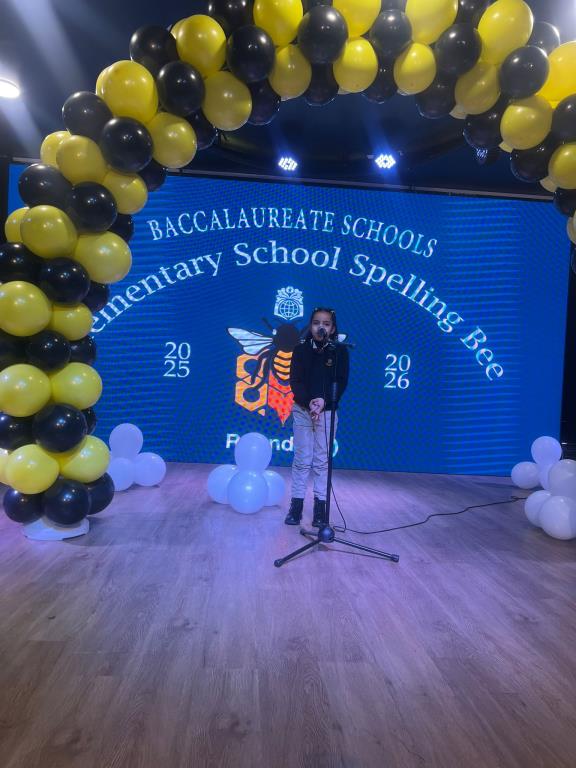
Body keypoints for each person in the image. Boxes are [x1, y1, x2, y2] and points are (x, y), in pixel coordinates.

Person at [285, 307, 349, 527]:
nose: (321, 327)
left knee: (322, 461)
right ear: (310, 325)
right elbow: (295, 380)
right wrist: (310, 402)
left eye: (326, 324)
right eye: (316, 323)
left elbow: (341, 382)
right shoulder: (300, 349)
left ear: (333, 328)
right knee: (302, 459)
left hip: (327, 412)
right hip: (303, 410)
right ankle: (296, 506)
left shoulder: (339, 351)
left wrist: (324, 402)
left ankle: (320, 508)